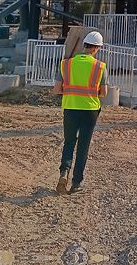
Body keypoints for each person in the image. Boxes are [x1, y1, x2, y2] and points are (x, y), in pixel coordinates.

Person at [53, 30, 107, 195]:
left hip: (70, 107)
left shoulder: (65, 64)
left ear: (84, 45)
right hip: (90, 110)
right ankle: (76, 183)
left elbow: (56, 90)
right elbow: (103, 93)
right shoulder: (100, 66)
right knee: (83, 146)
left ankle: (64, 172)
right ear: (96, 48)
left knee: (69, 142)